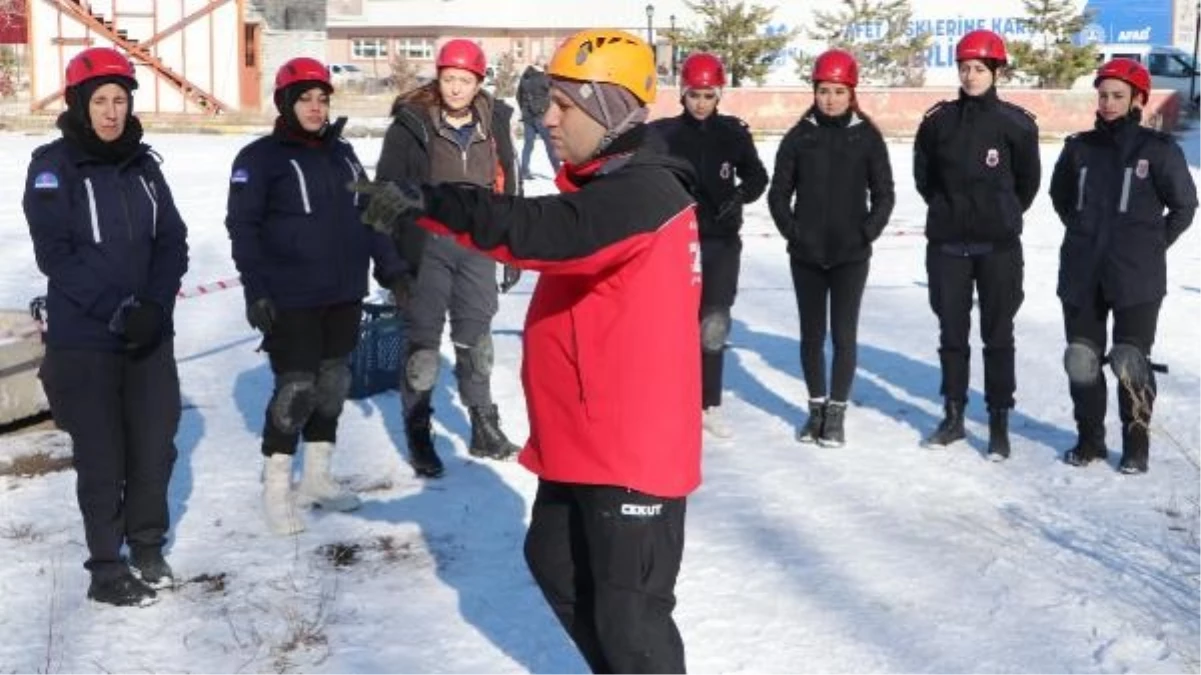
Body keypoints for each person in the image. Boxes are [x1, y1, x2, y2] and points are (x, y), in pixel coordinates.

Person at [351, 28, 700, 675]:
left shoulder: (644, 193)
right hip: (584, 443)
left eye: (564, 104)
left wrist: (429, 200)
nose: (547, 117)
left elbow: (541, 233)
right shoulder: (610, 189)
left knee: (632, 624)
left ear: (607, 105)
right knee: (554, 560)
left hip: (631, 452)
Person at [23, 47, 188, 606]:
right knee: (102, 457)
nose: (112, 112)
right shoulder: (53, 167)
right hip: (86, 340)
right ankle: (104, 566)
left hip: (149, 337)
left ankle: (145, 543)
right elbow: (57, 254)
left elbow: (172, 241)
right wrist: (119, 310)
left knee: (153, 446)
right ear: (78, 103)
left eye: (120, 100)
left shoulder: (144, 167)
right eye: (101, 101)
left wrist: (156, 308)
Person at [225, 57, 406, 534]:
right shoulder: (259, 159)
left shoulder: (342, 153)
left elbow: (372, 213)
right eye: (304, 98)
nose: (315, 107)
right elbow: (243, 229)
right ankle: (276, 488)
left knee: (333, 385)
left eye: (322, 99)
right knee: (296, 389)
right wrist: (256, 289)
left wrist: (393, 270)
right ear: (285, 102)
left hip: (343, 292)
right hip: (291, 296)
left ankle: (318, 479)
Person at [374, 38, 523, 479]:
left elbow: (507, 182)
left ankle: (483, 423)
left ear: (479, 81)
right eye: (448, 78)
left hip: (478, 243)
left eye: (465, 80)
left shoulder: (494, 122)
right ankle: (419, 428)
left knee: (475, 338)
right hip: (427, 245)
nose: (455, 88)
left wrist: (512, 245)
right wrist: (388, 263)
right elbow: (385, 192)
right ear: (438, 78)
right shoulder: (411, 125)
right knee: (423, 343)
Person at [1049, 58, 1196, 474]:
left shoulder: (1158, 150)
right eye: (1103, 95)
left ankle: (1136, 446)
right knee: (1081, 358)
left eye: (1117, 95)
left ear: (1136, 99)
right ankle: (1089, 441)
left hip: (1136, 276)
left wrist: (1149, 246)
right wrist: (1086, 236)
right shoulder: (1078, 147)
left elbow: (1184, 206)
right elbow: (1061, 199)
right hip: (1081, 271)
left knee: (1131, 359)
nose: (1109, 103)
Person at [913, 29, 1040, 460]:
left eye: (979, 68)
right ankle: (953, 416)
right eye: (965, 68)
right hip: (948, 246)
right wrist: (951, 213)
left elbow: (1028, 184)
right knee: (952, 335)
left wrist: (997, 216)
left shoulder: (1015, 124)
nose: (970, 76)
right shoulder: (937, 122)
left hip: (997, 248)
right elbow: (924, 179)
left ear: (996, 71)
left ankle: (999, 420)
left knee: (998, 336)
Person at [768, 48, 895, 448]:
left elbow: (885, 195)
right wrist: (794, 232)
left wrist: (865, 233)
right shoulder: (799, 136)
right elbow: (777, 194)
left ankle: (837, 414)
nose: (831, 99)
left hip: (850, 256)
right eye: (824, 90)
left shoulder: (867, 138)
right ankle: (816, 409)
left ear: (851, 92)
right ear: (815, 90)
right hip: (806, 255)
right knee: (810, 335)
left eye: (839, 91)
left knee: (843, 335)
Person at [650, 51, 767, 439]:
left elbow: (757, 176)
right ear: (682, 94)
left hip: (719, 241)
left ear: (719, 95)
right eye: (694, 95)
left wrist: (740, 195)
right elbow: (641, 176)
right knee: (673, 324)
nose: (701, 103)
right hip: (675, 242)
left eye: (708, 95)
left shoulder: (733, 133)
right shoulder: (663, 134)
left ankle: (709, 402)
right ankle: (672, 400)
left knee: (713, 322)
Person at [517, 56, 561, 179]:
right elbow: (554, 91)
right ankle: (558, 172)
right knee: (550, 145)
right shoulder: (543, 77)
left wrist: (524, 110)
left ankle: (524, 171)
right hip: (541, 115)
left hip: (527, 116)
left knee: (528, 145)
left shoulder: (525, 76)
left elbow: (518, 96)